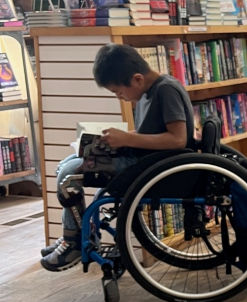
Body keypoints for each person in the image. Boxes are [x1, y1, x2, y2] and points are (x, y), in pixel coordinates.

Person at [41, 43, 194, 271]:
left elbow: (178, 140)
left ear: (137, 79)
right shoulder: (149, 91)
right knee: (66, 164)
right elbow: (150, 133)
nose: (120, 98)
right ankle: (74, 235)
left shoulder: (166, 91)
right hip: (143, 160)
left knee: (68, 175)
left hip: (151, 167)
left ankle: (74, 240)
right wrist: (118, 137)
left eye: (118, 92)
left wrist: (127, 139)